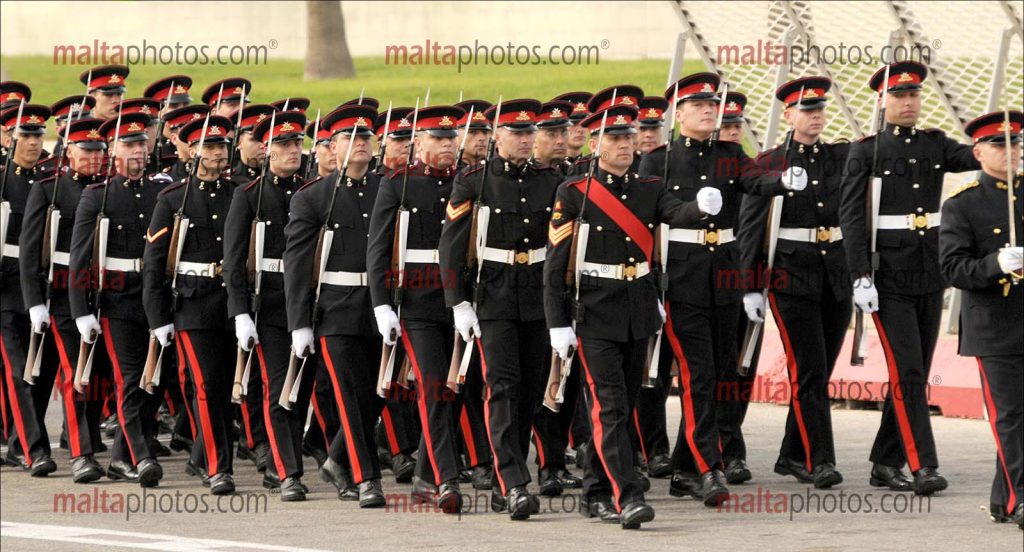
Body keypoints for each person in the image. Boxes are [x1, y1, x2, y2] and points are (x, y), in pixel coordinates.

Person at [544, 103, 718, 529]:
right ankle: (629, 495)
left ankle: (596, 493)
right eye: (615, 138)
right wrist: (557, 322)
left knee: (623, 403)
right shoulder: (574, 192)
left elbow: (675, 215)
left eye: (629, 137)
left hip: (637, 309)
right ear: (596, 143)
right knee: (610, 408)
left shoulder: (650, 188)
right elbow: (555, 263)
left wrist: (700, 207)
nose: (625, 145)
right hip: (594, 312)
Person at [838, 61, 979, 495]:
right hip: (889, 277)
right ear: (883, 102)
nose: (908, 103)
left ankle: (885, 461)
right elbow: (851, 216)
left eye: (914, 95)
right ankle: (923, 466)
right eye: (899, 97)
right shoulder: (867, 151)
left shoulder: (935, 144)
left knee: (913, 372)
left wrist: (1005, 141)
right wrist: (860, 274)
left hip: (929, 270)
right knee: (911, 371)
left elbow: (977, 154)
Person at [738, 76, 850, 489]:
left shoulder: (841, 158)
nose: (816, 116)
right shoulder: (769, 164)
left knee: (820, 371)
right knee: (810, 369)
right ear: (788, 115)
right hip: (790, 277)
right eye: (806, 109)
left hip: (834, 276)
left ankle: (791, 455)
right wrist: (750, 285)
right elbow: (752, 230)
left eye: (820, 109)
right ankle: (820, 460)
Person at [367, 104, 468, 514]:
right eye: (437, 139)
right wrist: (381, 303)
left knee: (454, 388)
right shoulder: (400, 184)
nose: (446, 146)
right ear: (420, 143)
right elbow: (379, 247)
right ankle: (447, 479)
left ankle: (426, 476)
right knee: (430, 385)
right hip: (417, 302)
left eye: (450, 139)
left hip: (459, 302)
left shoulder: (468, 181)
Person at [68, 113, 170, 486]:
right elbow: (80, 257)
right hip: (118, 300)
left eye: (142, 143)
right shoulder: (98, 196)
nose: (139, 151)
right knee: (130, 378)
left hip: (155, 299)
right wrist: (81, 310)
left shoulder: (163, 191)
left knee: (155, 380)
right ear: (113, 150)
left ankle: (121, 457)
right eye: (129, 144)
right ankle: (143, 456)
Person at [143, 114, 239, 495]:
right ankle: (219, 468)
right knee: (206, 386)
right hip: (193, 305)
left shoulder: (241, 193)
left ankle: (201, 456)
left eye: (222, 147)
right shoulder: (173, 199)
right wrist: (158, 317)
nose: (218, 154)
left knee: (229, 388)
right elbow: (155, 263)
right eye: (211, 148)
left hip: (233, 302)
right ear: (193, 153)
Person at [939, 109, 1023, 528]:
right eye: (1000, 144)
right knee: (1009, 415)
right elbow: (953, 270)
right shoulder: (963, 203)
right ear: (978, 151)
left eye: (1016, 143)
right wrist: (995, 263)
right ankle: (1020, 499)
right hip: (994, 327)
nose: (1011, 151)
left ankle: (1002, 498)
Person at [224, 109, 311, 500]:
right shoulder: (250, 196)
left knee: (303, 390)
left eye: (296, 143)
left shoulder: (312, 190)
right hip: (271, 303)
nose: (293, 150)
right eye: (283, 144)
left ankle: (289, 461)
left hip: (309, 303)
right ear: (267, 150)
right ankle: (284, 470)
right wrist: (241, 312)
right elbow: (234, 259)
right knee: (280, 387)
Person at [1, 103, 58, 476]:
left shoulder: (51, 179)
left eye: (39, 136)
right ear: (8, 138)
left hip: (44, 284)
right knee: (20, 370)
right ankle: (33, 449)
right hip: (5, 285)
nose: (34, 143)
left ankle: (20, 442)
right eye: (26, 136)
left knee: (44, 369)